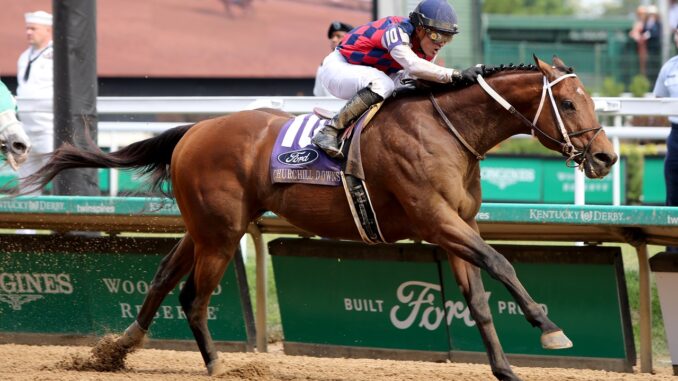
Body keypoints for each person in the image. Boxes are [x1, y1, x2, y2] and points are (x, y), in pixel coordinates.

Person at [312, 0, 484, 159]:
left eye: (447, 38)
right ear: (420, 29)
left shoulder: (425, 49)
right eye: (436, 36)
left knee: (410, 87)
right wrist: (457, 74)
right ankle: (329, 131)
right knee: (384, 84)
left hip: (365, 72)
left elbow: (418, 76)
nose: (441, 43)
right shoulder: (396, 30)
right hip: (337, 67)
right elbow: (413, 65)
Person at [16, 10, 54, 195]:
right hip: (26, 129)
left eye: (33, 28)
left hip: (49, 128)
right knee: (26, 180)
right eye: (27, 28)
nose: (29, 32)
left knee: (57, 177)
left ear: (48, 30)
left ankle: (63, 223)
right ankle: (27, 224)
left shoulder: (57, 56)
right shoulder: (24, 57)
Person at [653, 24, 678, 252]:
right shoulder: (669, 67)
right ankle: (673, 253)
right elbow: (658, 99)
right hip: (676, 135)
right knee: (673, 195)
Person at [313, 21, 354, 97]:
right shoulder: (323, 66)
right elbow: (319, 96)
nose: (334, 40)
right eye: (332, 36)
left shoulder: (358, 63)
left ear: (350, 39)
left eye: (338, 36)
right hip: (329, 108)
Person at [629, 5, 648, 76]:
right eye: (640, 14)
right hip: (638, 48)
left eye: (643, 14)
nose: (641, 15)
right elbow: (633, 33)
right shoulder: (637, 23)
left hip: (646, 48)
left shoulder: (647, 23)